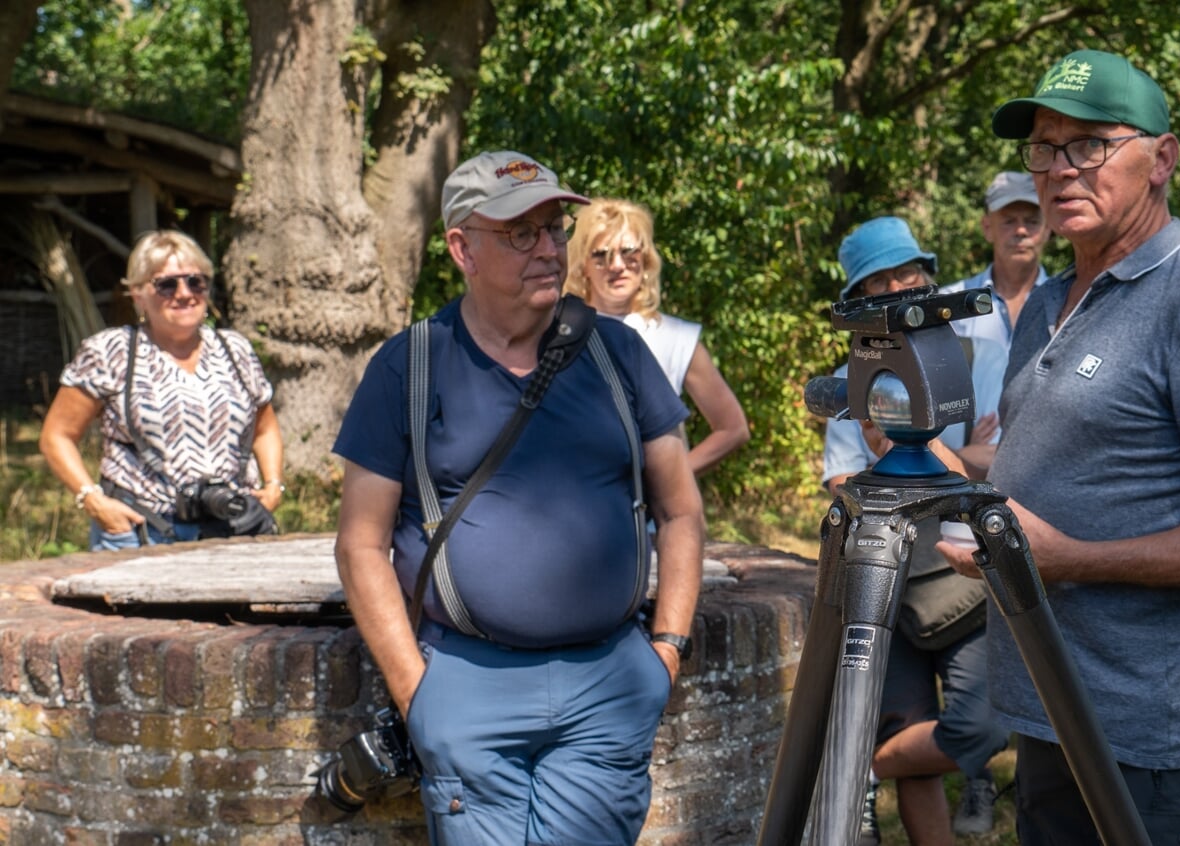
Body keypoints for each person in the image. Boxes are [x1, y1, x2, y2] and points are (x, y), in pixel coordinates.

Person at [940, 49, 1180, 845]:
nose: (1061, 170)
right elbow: (1059, 459)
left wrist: (1068, 557)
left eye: (1090, 144)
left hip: (1155, 723)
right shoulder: (1050, 299)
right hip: (1051, 696)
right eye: (1044, 147)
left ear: (1162, 158)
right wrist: (930, 460)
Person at [332, 151, 704, 845]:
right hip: (467, 685)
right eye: (520, 233)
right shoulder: (408, 368)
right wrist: (418, 694)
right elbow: (360, 545)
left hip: (608, 686)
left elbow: (680, 509)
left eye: (555, 228)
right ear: (460, 248)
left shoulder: (616, 354)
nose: (549, 249)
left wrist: (668, 649)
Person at [821, 216, 1009, 844]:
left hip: (966, 573)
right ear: (858, 300)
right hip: (887, 579)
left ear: (929, 276)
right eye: (879, 282)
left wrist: (910, 448)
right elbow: (842, 486)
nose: (900, 289)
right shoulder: (861, 364)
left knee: (984, 725)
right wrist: (956, 453)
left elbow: (1003, 459)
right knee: (905, 721)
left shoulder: (978, 350)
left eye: (908, 273)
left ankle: (857, 771)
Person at [39, 229, 283, 550]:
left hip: (232, 528)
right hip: (140, 531)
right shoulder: (112, 352)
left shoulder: (234, 349)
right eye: (167, 284)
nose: (184, 293)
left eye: (195, 281)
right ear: (138, 294)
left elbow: (265, 428)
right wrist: (94, 502)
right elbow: (56, 436)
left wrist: (273, 485)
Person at [565, 197, 750, 475]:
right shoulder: (560, 334)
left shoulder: (677, 338)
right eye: (601, 255)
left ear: (646, 258)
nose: (617, 265)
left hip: (654, 518)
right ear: (583, 266)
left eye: (629, 251)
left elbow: (733, 428)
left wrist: (667, 484)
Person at [938, 170, 1050, 478]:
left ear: (1049, 228)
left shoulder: (1069, 305)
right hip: (964, 477)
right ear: (987, 227)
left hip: (1045, 471)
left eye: (1032, 220)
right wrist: (958, 446)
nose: (1021, 231)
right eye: (1009, 220)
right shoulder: (949, 305)